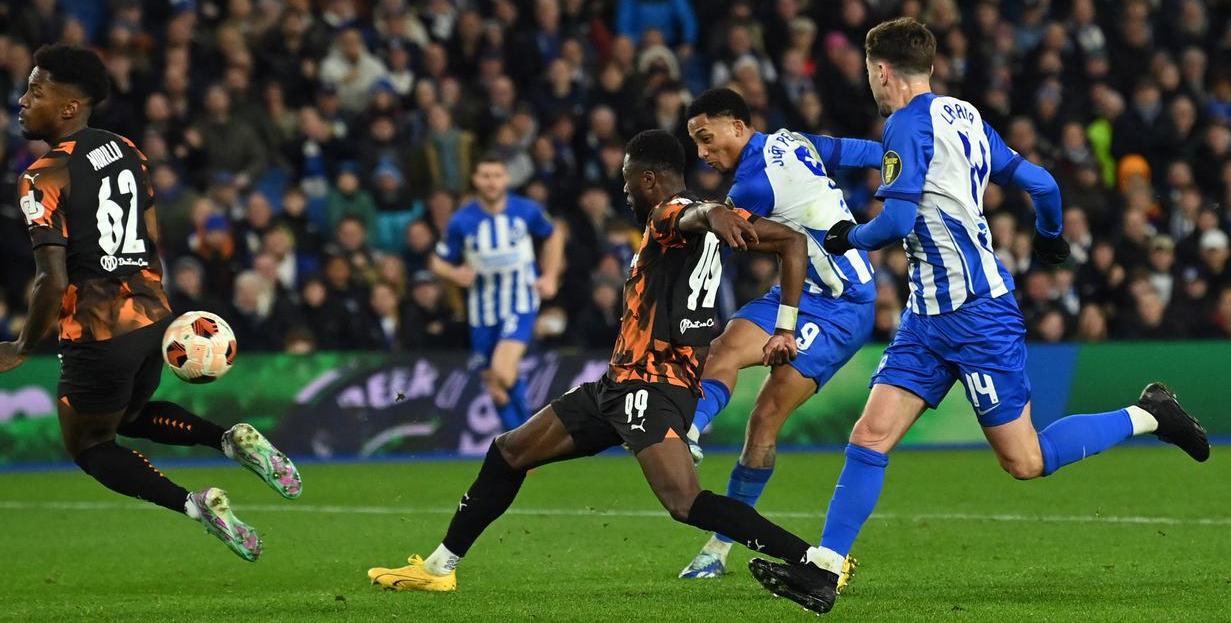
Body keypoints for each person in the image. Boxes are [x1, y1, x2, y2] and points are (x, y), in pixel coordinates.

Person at [755, 18, 1210, 614]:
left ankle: (1149, 415)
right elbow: (1043, 183)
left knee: (1025, 461)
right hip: (925, 316)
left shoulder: (906, 123)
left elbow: (892, 224)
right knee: (869, 435)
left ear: (881, 72)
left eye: (870, 73)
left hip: (975, 315)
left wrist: (844, 238)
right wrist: (1049, 238)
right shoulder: (961, 115)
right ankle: (825, 569)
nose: (871, 82)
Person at [367, 130, 839, 615]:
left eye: (628, 179)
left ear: (649, 179)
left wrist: (711, 212)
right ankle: (439, 568)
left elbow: (692, 215)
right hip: (619, 384)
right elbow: (792, 242)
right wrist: (782, 322)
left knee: (684, 502)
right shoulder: (709, 218)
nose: (625, 190)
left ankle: (816, 562)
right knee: (509, 451)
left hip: (651, 386)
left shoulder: (668, 215)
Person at [0, 45, 302, 563]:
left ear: (71, 106)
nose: (22, 101)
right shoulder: (126, 150)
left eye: (36, 91)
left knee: (92, 446)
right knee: (131, 412)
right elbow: (151, 236)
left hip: (98, 330)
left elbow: (51, 279)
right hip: (152, 316)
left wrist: (25, 343)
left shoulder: (42, 176)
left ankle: (196, 504)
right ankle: (229, 439)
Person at [677, 87, 882, 579]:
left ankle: (718, 542)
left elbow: (750, 244)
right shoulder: (792, 141)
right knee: (724, 349)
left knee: (765, 419)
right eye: (697, 145)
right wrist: (909, 162)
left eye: (707, 139)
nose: (703, 154)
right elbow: (861, 152)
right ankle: (688, 431)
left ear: (738, 127)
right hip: (802, 285)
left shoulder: (750, 188)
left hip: (842, 306)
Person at [430, 156, 564, 430]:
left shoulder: (526, 211)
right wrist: (454, 273)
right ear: (476, 180)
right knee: (495, 385)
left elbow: (554, 234)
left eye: (497, 175)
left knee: (502, 371)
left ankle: (532, 436)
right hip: (481, 311)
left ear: (506, 179)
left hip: (520, 302)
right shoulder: (461, 220)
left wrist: (550, 275)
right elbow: (437, 261)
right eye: (485, 176)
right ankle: (520, 445)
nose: (491, 182)